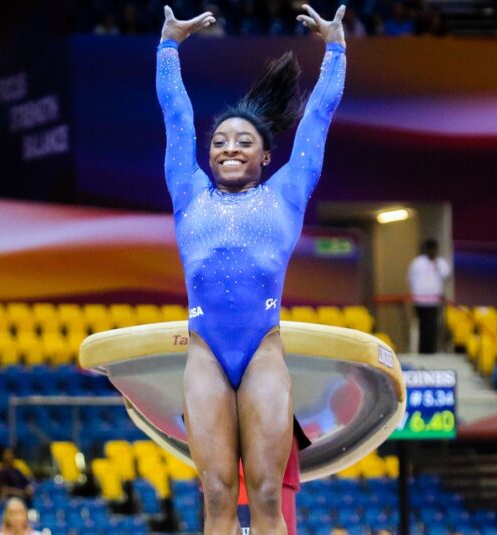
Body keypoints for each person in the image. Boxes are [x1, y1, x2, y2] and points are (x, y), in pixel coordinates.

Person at [156, 4, 346, 534]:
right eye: (219, 142)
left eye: (243, 142)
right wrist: (168, 48)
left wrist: (335, 50)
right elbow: (175, 117)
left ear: (266, 157)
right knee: (217, 493)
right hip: (206, 353)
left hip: (262, 350)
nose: (228, 149)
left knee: (264, 493)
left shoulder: (286, 194)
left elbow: (318, 119)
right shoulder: (188, 192)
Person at [408, 239, 451, 353]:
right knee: (423, 326)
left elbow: (445, 275)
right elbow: (411, 279)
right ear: (426, 250)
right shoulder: (417, 263)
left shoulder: (440, 263)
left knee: (433, 326)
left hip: (434, 301)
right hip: (420, 301)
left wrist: (436, 264)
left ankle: (432, 350)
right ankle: (423, 350)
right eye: (430, 249)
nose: (432, 252)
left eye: (434, 249)